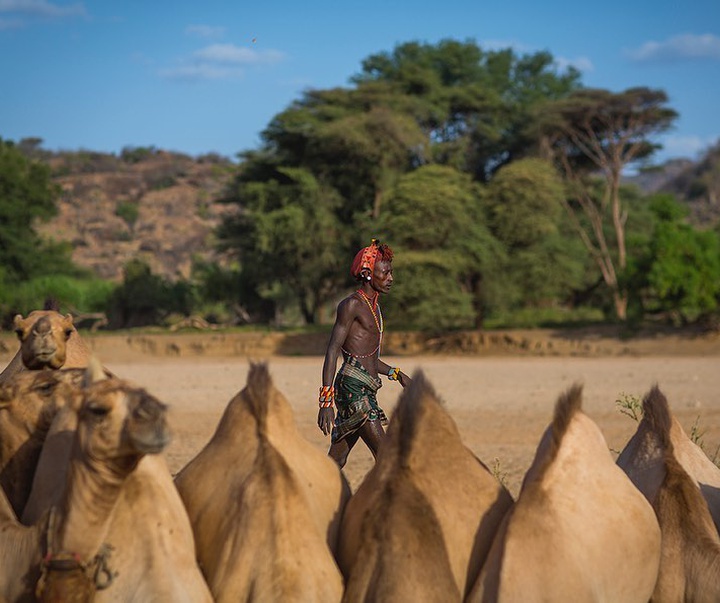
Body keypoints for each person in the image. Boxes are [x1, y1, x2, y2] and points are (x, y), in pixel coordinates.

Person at [317, 239, 411, 468]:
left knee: (336, 460)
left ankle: (312, 497)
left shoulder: (375, 308)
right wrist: (325, 402)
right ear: (368, 274)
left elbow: (367, 358)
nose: (391, 279)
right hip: (353, 389)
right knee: (388, 457)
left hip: (365, 386)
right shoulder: (351, 305)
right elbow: (332, 351)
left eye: (391, 273)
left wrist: (396, 373)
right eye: (385, 273)